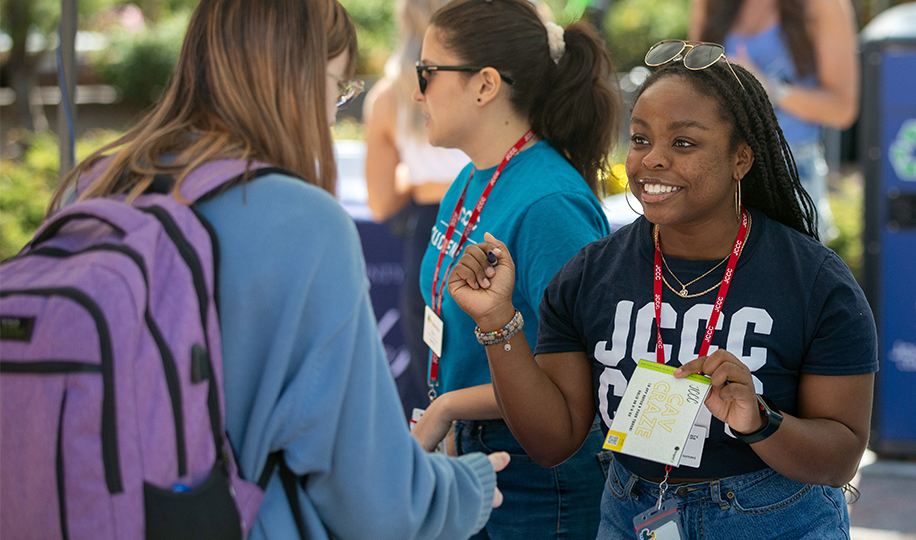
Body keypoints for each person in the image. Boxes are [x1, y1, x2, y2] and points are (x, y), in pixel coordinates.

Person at [49, 0, 508, 538]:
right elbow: (377, 500)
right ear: (299, 81)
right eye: (337, 88)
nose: (332, 111)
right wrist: (465, 487)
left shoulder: (95, 185)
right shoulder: (301, 223)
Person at [447, 42, 878, 539]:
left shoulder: (815, 283)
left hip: (772, 520)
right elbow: (553, 442)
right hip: (633, 514)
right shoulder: (590, 275)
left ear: (741, 158)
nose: (652, 160)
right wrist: (497, 320)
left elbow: (841, 456)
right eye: (639, 139)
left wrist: (760, 420)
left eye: (684, 144)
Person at [410, 0, 620, 537]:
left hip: (537, 478)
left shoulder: (550, 202)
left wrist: (448, 408)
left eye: (427, 73)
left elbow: (576, 377)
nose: (417, 92)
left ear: (484, 85)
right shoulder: (470, 180)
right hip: (478, 454)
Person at [363, 0, 470, 420]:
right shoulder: (494, 78)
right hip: (498, 221)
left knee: (432, 396)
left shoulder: (390, 94)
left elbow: (381, 201)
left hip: (433, 236)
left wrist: (418, 178)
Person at [689, 0, 860, 242]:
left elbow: (842, 109)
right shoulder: (707, 3)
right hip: (720, 170)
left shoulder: (824, 5)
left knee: (789, 276)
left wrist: (769, 89)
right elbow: (694, 86)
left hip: (790, 170)